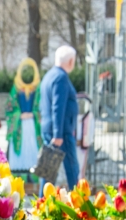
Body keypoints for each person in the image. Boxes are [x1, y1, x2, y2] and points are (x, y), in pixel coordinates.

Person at [39, 46, 80, 188]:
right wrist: (57, 134)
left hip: (51, 129)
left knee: (48, 172)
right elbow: (58, 106)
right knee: (72, 171)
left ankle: (42, 200)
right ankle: (78, 199)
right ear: (70, 61)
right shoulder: (61, 77)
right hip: (61, 133)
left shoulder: (49, 75)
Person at [6, 57, 42, 173]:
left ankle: (33, 173)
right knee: (21, 148)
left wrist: (33, 114)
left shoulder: (38, 89)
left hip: (33, 124)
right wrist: (19, 116)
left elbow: (43, 107)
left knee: (33, 148)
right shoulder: (16, 88)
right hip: (20, 125)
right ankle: (19, 173)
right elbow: (9, 109)